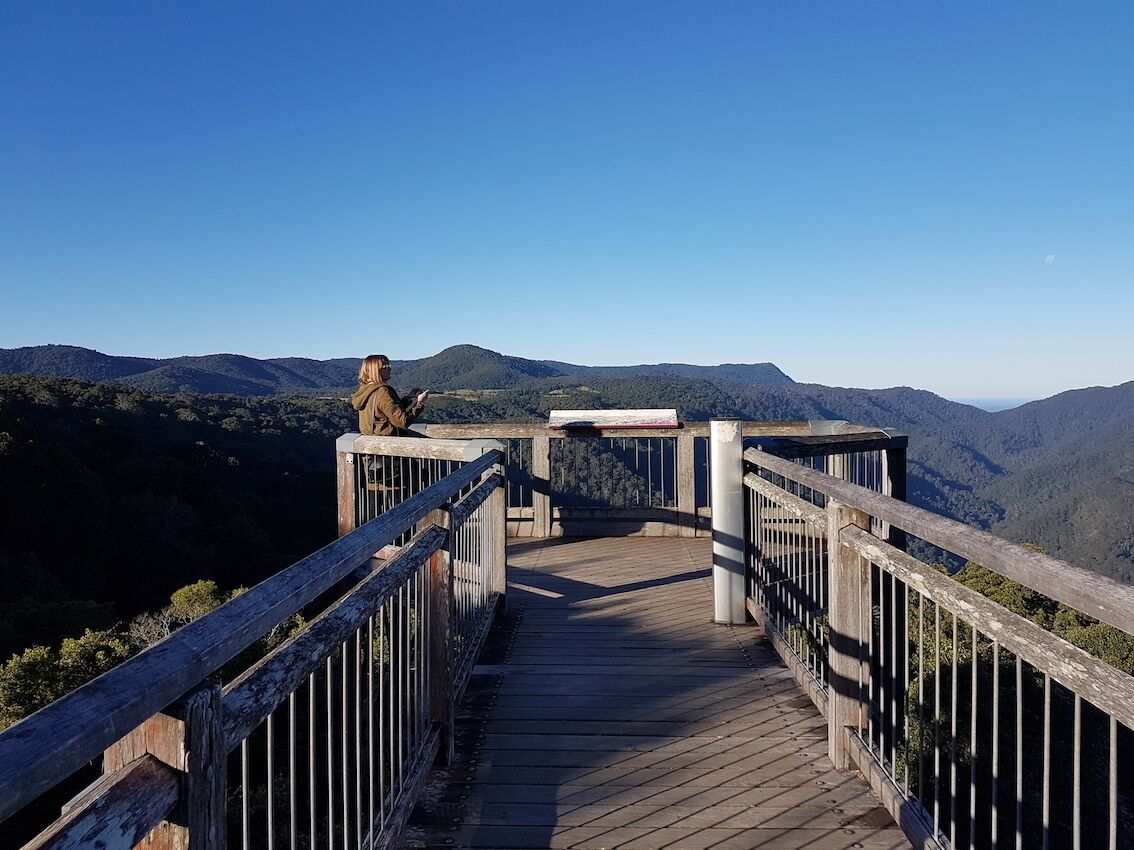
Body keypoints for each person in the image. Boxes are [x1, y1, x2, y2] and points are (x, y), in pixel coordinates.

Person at [350, 354, 429, 437]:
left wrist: (409, 398)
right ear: (375, 370)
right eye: (385, 366)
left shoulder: (365, 390)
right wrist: (420, 403)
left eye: (389, 365)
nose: (389, 369)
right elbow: (403, 422)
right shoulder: (382, 391)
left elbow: (388, 410)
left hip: (371, 440)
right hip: (388, 441)